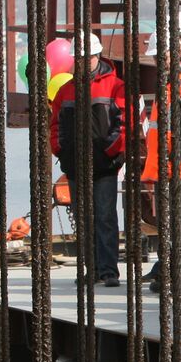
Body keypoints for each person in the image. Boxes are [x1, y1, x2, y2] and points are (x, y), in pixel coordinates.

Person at [50, 31, 126, 286]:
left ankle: (108, 271)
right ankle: (91, 269)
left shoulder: (115, 86)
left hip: (104, 165)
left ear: (97, 55)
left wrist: (110, 151)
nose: (83, 62)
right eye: (78, 59)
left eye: (87, 57)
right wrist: (61, 151)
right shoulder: (65, 91)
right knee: (83, 218)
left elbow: (124, 124)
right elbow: (55, 125)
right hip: (75, 165)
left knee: (104, 216)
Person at [140, 28, 181, 292]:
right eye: (155, 57)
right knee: (175, 226)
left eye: (160, 56)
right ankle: (175, 272)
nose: (157, 61)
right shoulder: (166, 86)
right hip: (165, 168)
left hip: (180, 168)